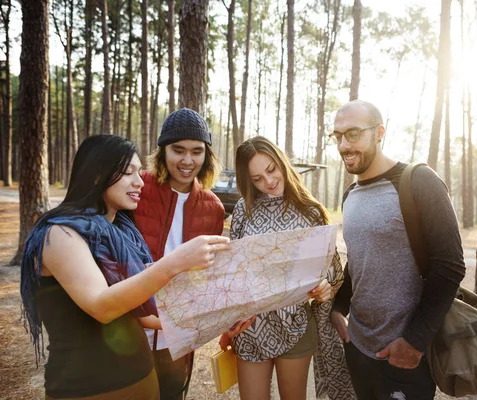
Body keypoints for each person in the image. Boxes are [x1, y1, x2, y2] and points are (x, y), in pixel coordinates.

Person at [20, 134, 230, 400]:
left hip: (142, 382)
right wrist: (175, 262)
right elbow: (103, 307)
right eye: (128, 172)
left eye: (138, 172)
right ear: (98, 175)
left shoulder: (121, 231)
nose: (140, 181)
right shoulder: (61, 234)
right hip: (87, 389)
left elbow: (145, 315)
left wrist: (222, 315)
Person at [330, 100, 466, 400]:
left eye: (353, 133)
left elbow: (451, 265)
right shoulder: (350, 195)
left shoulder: (419, 181)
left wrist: (415, 342)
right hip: (359, 346)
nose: (343, 145)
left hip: (404, 354)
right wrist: (339, 307)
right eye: (337, 136)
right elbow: (358, 260)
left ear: (379, 132)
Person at [134, 107, 252, 400]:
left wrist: (227, 315)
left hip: (178, 337)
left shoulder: (213, 207)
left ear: (206, 155)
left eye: (196, 151)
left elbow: (206, 277)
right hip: (129, 331)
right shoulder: (138, 188)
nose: (187, 161)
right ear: (163, 151)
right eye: (178, 150)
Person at [225, 136, 355, 400]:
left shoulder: (311, 212)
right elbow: (232, 270)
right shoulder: (243, 210)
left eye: (271, 170)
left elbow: (333, 274)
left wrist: (325, 289)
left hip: (296, 325)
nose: (268, 181)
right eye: (257, 178)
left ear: (281, 162)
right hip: (252, 328)